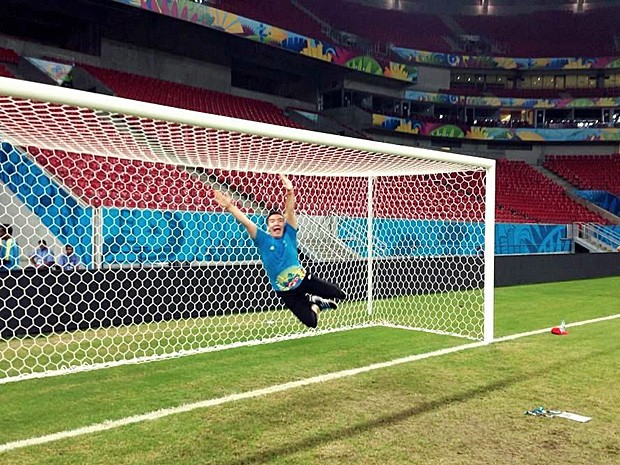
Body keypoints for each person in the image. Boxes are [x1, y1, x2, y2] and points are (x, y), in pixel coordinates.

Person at [213, 174, 346, 328]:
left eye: (279, 220)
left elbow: (290, 212)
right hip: (286, 292)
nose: (276, 223)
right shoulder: (262, 239)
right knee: (311, 322)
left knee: (339, 293)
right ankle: (316, 304)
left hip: (303, 281)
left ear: (284, 224)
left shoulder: (289, 234)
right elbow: (245, 221)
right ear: (268, 226)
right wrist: (230, 207)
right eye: (272, 221)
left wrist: (290, 192)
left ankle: (319, 298)